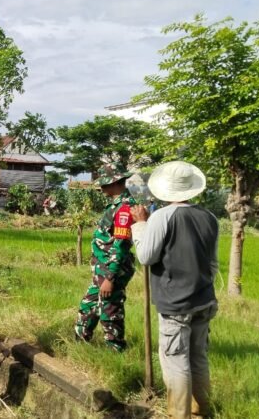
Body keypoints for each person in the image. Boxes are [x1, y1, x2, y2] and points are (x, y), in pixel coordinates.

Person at [130, 161, 218, 419]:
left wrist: (141, 224)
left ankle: (179, 415)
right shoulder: (210, 218)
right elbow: (213, 263)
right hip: (204, 299)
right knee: (198, 356)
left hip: (175, 303)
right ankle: (201, 410)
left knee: (176, 359)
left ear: (165, 189)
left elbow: (146, 256)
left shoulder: (162, 217)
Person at [74, 163, 137, 352]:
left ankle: (115, 350)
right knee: (88, 305)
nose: (101, 187)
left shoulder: (125, 208)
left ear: (114, 182)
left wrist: (110, 278)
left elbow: (121, 245)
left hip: (112, 269)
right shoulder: (115, 205)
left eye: (104, 183)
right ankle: (79, 345)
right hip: (102, 268)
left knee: (110, 311)